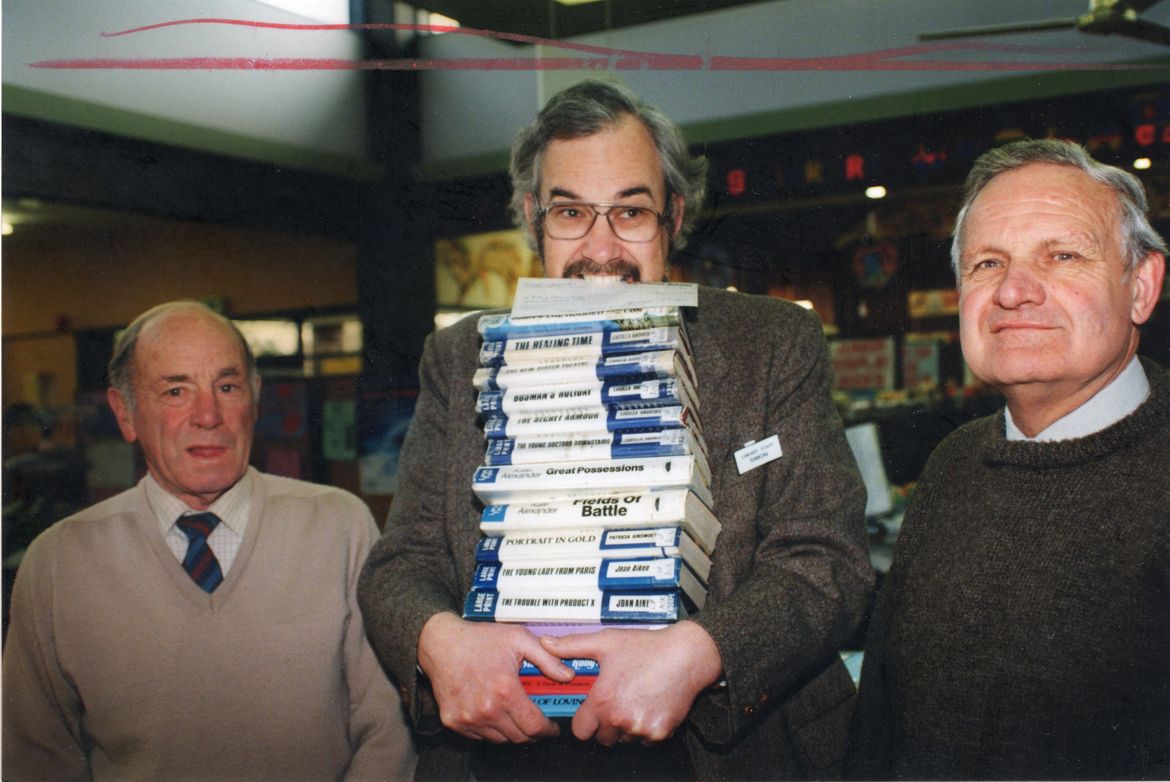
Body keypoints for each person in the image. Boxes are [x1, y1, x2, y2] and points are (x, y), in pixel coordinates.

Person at [358, 80, 872, 780]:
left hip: (722, 754)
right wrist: (437, 639)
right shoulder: (459, 357)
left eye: (630, 210)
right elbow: (403, 562)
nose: (602, 249)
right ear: (535, 218)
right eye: (572, 212)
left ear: (674, 216)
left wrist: (697, 654)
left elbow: (828, 559)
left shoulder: (771, 342)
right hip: (507, 753)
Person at [848, 139, 1170, 779]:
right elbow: (880, 721)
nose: (1015, 291)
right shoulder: (955, 463)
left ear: (1141, 286)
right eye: (988, 263)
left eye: (1064, 256)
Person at [2, 301, 417, 781]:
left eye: (226, 387)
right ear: (125, 414)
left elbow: (388, 734)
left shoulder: (340, 527)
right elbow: (34, 758)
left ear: (255, 399)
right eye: (176, 390)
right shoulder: (60, 563)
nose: (208, 415)